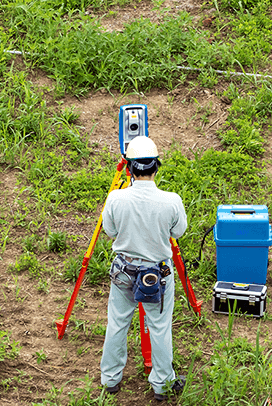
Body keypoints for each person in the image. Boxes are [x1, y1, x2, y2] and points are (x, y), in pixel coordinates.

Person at [99, 136, 188, 401]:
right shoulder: (171, 201)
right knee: (160, 326)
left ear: (129, 169)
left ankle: (111, 379)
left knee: (117, 323)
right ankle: (161, 384)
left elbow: (110, 231)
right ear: (156, 167)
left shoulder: (115, 199)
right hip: (157, 275)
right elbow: (178, 231)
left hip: (124, 271)